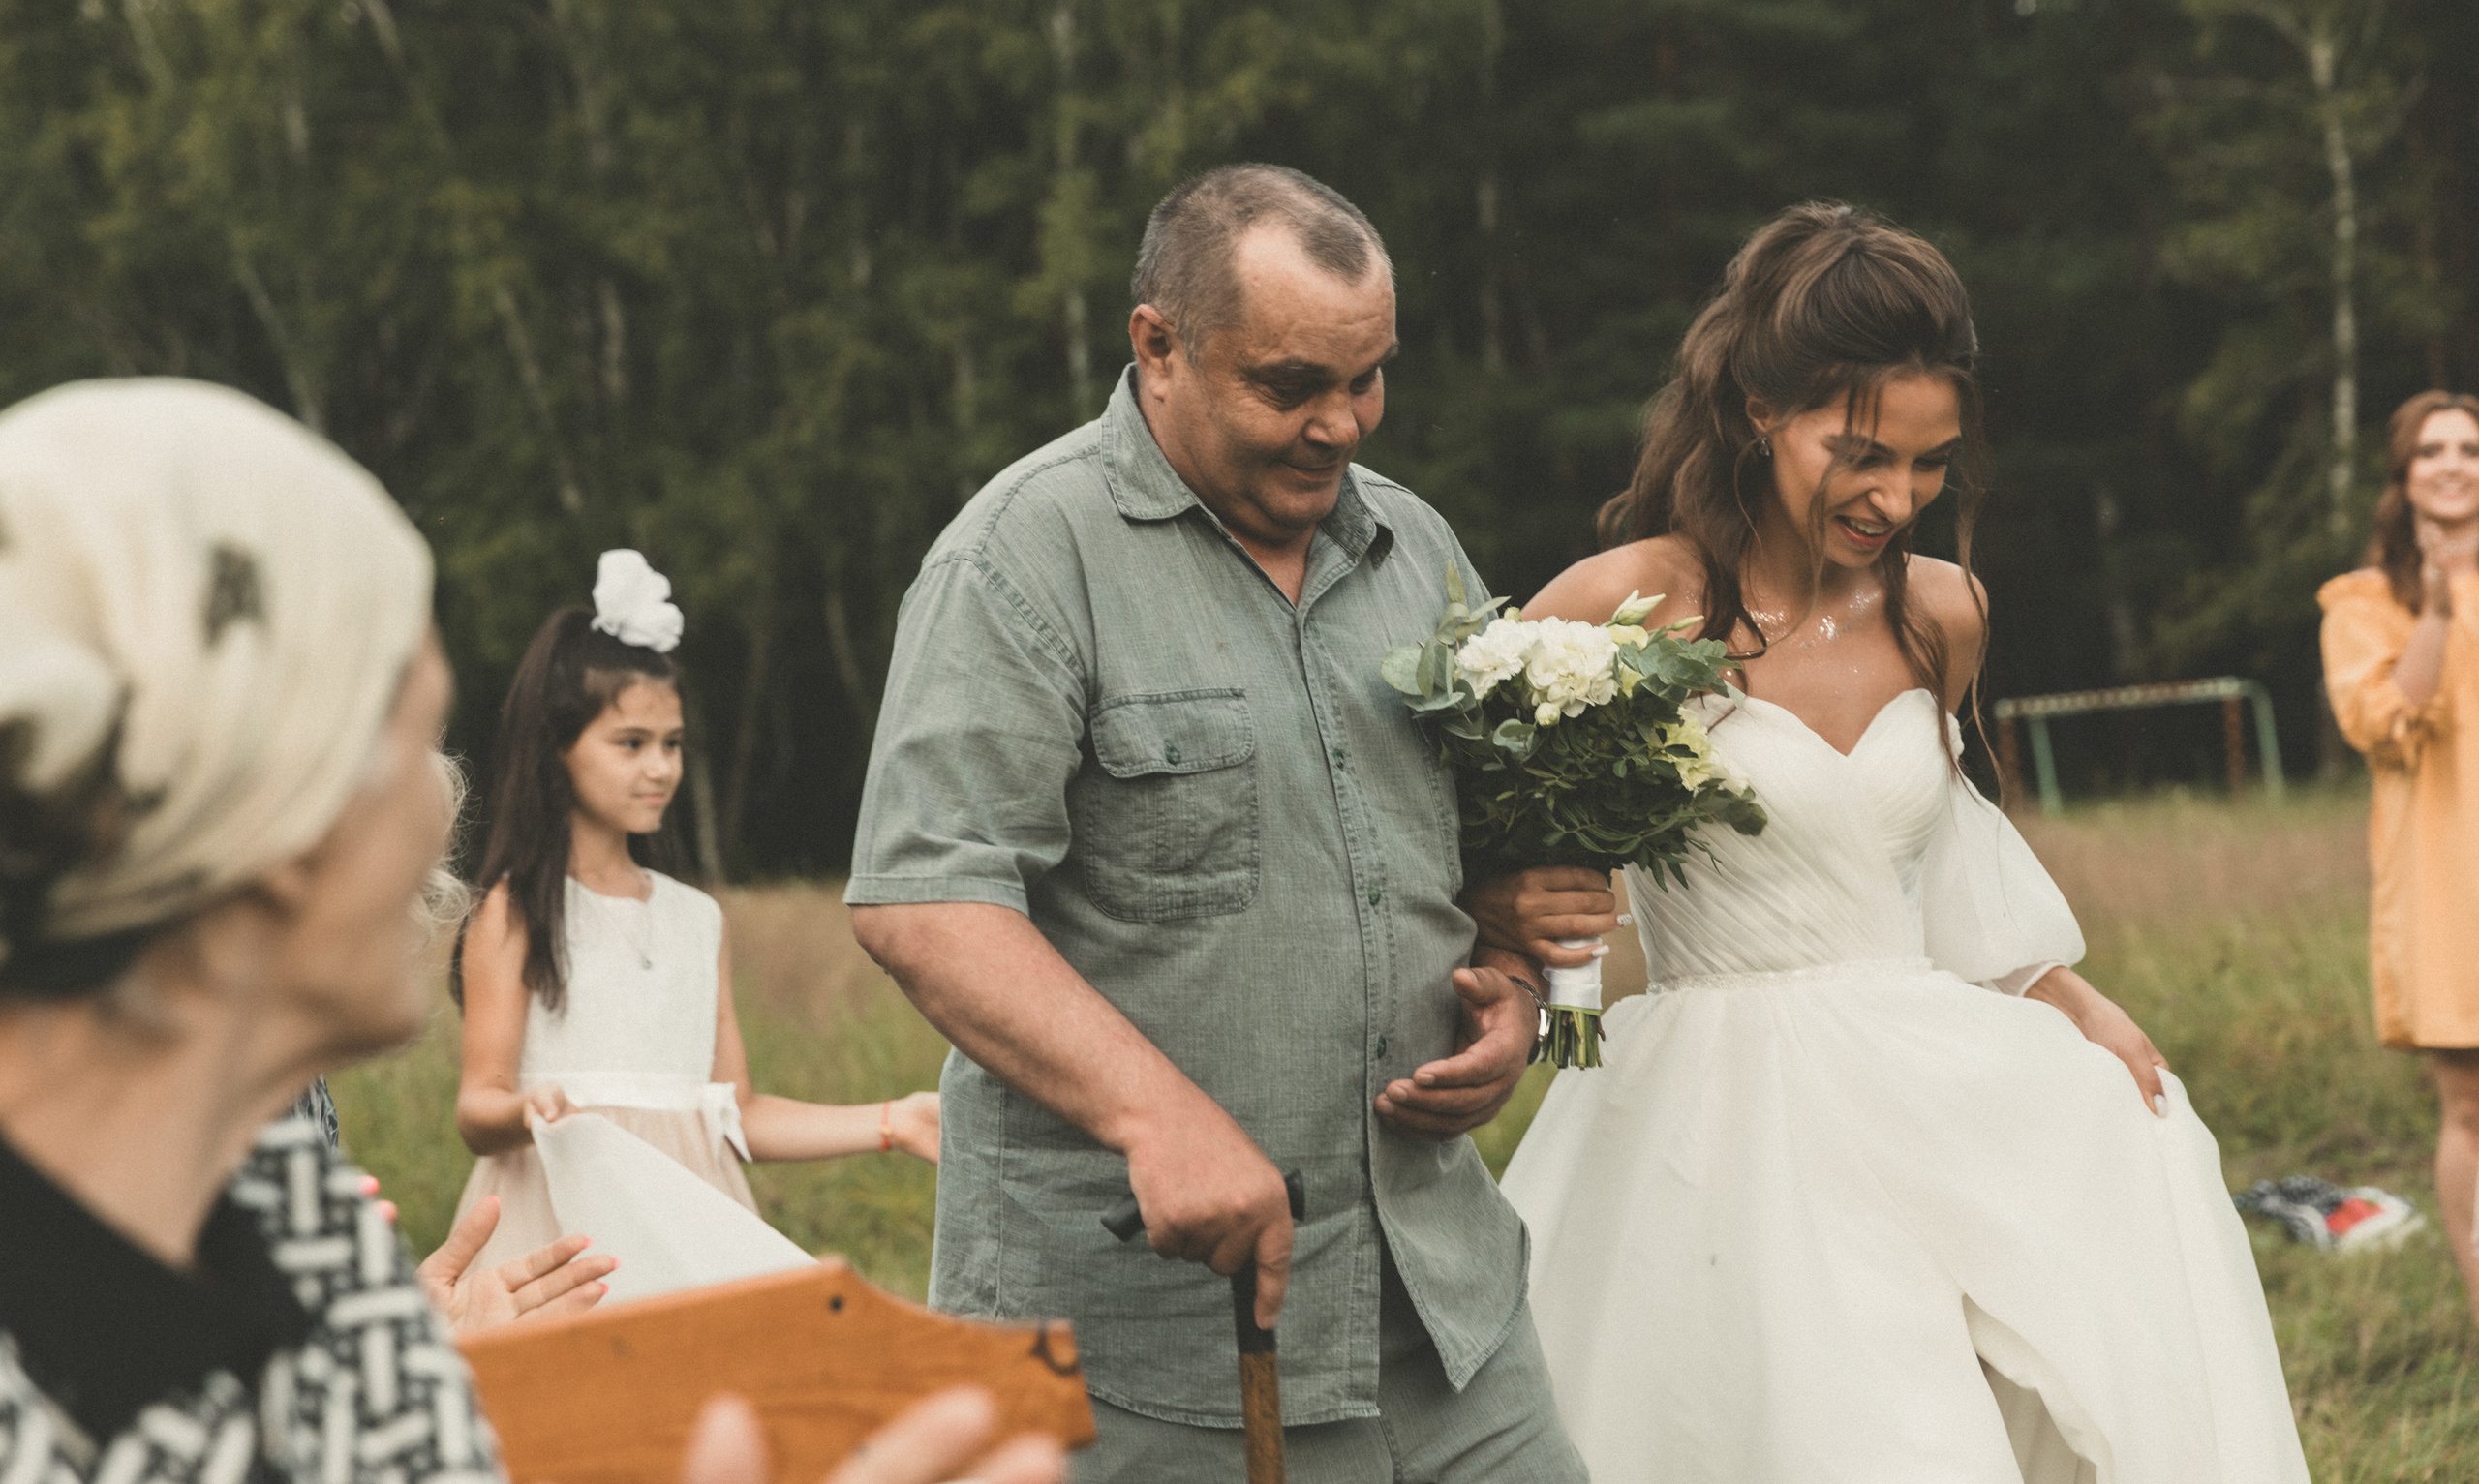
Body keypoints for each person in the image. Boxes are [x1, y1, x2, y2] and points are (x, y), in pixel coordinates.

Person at [0, 379, 1062, 1484]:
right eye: (412, 744)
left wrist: (428, 1392)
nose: (443, 812)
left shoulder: (281, 1213)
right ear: (262, 814)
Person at [1492, 205, 2310, 1481]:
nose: (1895, 498)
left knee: (2134, 1169)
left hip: (1919, 1073)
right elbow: (1489, 848)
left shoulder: (1943, 611)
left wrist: (2068, 995)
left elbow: (1938, 862)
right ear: (1761, 409)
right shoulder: (1626, 605)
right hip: (1721, 1109)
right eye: (1861, 453)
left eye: (1930, 463)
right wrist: (1534, 952)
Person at [848, 164, 1588, 1482]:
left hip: (1446, 1316)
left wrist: (1513, 993)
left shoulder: (1417, 548)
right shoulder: (1020, 557)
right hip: (1145, 1355)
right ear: (1158, 345)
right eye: (1291, 385)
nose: (1340, 425)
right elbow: (927, 900)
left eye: (1368, 379)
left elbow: (1494, 860)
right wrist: (1157, 1118)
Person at [450, 561, 939, 1280]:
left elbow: (736, 1116)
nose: (660, 768)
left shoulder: (696, 919)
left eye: (672, 743)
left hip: (688, 1233)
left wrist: (897, 1119)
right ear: (558, 746)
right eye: (631, 743)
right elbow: (477, 1107)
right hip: (559, 1231)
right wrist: (527, 1107)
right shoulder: (516, 908)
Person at [2319, 389, 2479, 1316]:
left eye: (2469, 448)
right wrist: (2440, 607)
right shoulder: (2363, 601)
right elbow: (2384, 721)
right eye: (2432, 450)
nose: (2453, 464)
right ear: (2404, 474)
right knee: (2470, 1107)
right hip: (2450, 881)